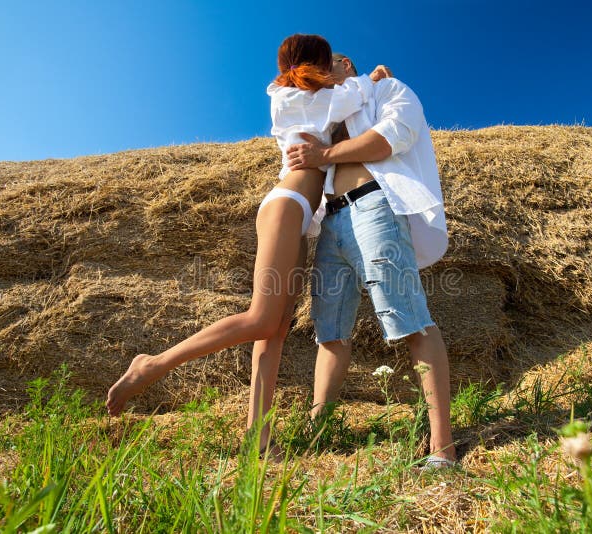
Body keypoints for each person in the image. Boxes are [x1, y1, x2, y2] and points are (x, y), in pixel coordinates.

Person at [106, 36, 384, 454]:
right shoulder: (290, 96)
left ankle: (259, 439)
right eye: (333, 61)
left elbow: (350, 128)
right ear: (318, 62)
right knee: (259, 318)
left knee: (275, 330)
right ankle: (153, 364)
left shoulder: (322, 100)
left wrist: (354, 85)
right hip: (286, 205)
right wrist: (366, 77)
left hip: (303, 219)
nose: (340, 67)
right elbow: (348, 99)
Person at [285, 53, 457, 466]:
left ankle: (443, 446)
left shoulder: (388, 90)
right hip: (333, 220)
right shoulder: (327, 114)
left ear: (343, 63)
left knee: (409, 319)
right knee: (329, 332)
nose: (320, 79)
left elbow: (389, 138)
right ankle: (316, 432)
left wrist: (324, 156)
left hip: (374, 206)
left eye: (325, 68)